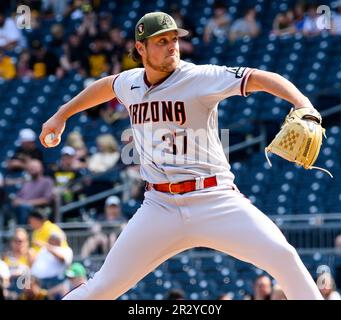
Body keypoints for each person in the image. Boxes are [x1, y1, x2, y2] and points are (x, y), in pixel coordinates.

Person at [40, 11, 323, 300]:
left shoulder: (199, 77)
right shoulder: (131, 83)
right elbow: (106, 85)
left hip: (214, 199)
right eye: (161, 41)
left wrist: (303, 104)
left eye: (174, 39)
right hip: (159, 206)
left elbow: (260, 77)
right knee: (101, 288)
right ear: (141, 48)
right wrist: (61, 115)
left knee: (284, 257)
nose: (172, 46)